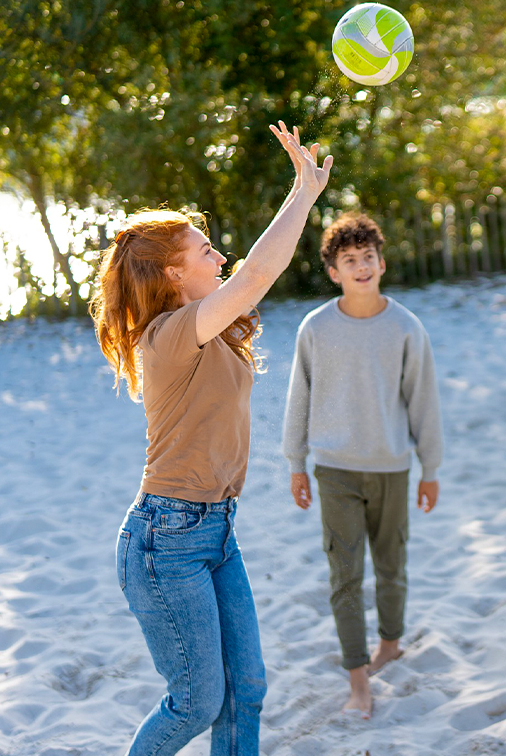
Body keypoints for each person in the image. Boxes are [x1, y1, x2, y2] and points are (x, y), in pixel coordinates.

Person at [91, 122, 333, 754]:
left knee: (244, 689)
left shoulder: (210, 329)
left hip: (215, 530)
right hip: (165, 540)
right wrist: (304, 192)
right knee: (196, 703)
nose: (220, 258)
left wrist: (304, 192)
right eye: (206, 251)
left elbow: (248, 279)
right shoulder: (168, 337)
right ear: (174, 273)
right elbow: (255, 275)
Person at [282, 212, 443, 719]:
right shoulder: (315, 328)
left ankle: (390, 644)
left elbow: (423, 402)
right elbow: (298, 399)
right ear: (334, 272)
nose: (361, 267)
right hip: (335, 471)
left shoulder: (406, 327)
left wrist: (431, 468)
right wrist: (296, 463)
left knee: (392, 567)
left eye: (368, 257)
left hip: (393, 468)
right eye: (349, 260)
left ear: (382, 263)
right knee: (345, 576)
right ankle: (357, 680)